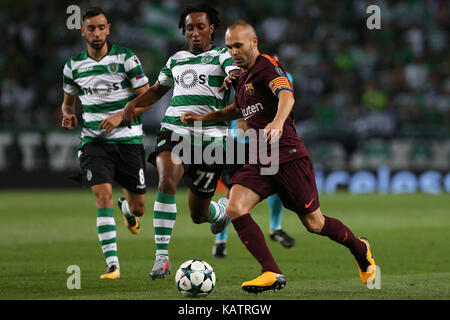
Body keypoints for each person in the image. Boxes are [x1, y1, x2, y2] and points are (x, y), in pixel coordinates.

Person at [181, 20, 376, 293]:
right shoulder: (243, 76)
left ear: (254, 42)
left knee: (315, 224)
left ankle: (360, 248)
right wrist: (202, 118)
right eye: (229, 47)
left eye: (238, 45)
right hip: (261, 157)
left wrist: (277, 122)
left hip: (288, 155)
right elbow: (237, 110)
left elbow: (286, 95)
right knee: (235, 207)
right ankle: (271, 272)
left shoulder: (268, 66)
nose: (234, 52)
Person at [121, 5, 240, 279]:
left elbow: (235, 73)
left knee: (198, 215)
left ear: (212, 29)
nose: (195, 33)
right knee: (166, 181)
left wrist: (234, 77)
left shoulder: (222, 55)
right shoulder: (176, 59)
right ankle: (161, 257)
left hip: (211, 141)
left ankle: (218, 212)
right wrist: (131, 106)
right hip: (175, 131)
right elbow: (155, 91)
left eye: (200, 27)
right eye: (190, 28)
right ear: (184, 31)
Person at [61, 7, 153, 279]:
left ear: (109, 28)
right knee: (102, 195)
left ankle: (127, 209)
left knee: (139, 208)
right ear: (83, 31)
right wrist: (68, 116)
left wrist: (118, 116)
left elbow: (147, 98)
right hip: (93, 141)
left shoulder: (126, 58)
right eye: (91, 28)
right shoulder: (73, 66)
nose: (97, 33)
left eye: (101, 27)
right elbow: (68, 105)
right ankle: (113, 265)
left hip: (128, 140)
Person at [213, 116, 295, 258]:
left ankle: (275, 228)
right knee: (232, 197)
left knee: (277, 186)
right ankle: (220, 239)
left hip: (259, 148)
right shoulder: (247, 97)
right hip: (238, 150)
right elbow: (242, 128)